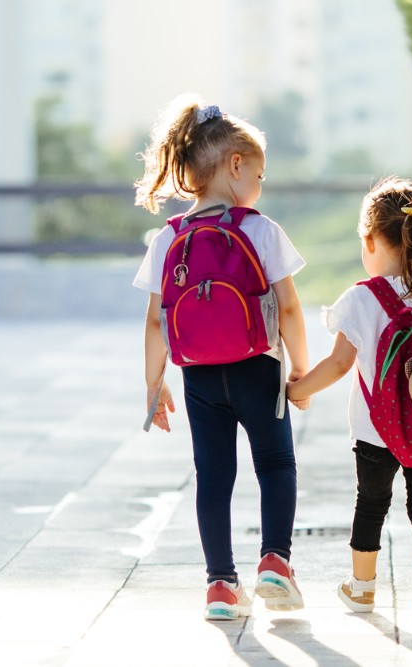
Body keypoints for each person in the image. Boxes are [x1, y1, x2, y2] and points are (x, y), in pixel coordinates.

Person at [132, 94, 309, 621]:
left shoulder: (168, 239)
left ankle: (220, 585)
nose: (259, 185)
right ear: (235, 166)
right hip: (258, 367)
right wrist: (299, 368)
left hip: (200, 379)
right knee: (275, 464)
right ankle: (275, 561)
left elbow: (155, 319)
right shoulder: (259, 229)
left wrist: (153, 384)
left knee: (213, 477)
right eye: (258, 172)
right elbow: (292, 307)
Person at [287, 177, 412, 622]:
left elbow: (338, 364)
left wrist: (297, 391)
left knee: (371, 503)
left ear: (369, 240)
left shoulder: (361, 300)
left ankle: (362, 588)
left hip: (374, 430)